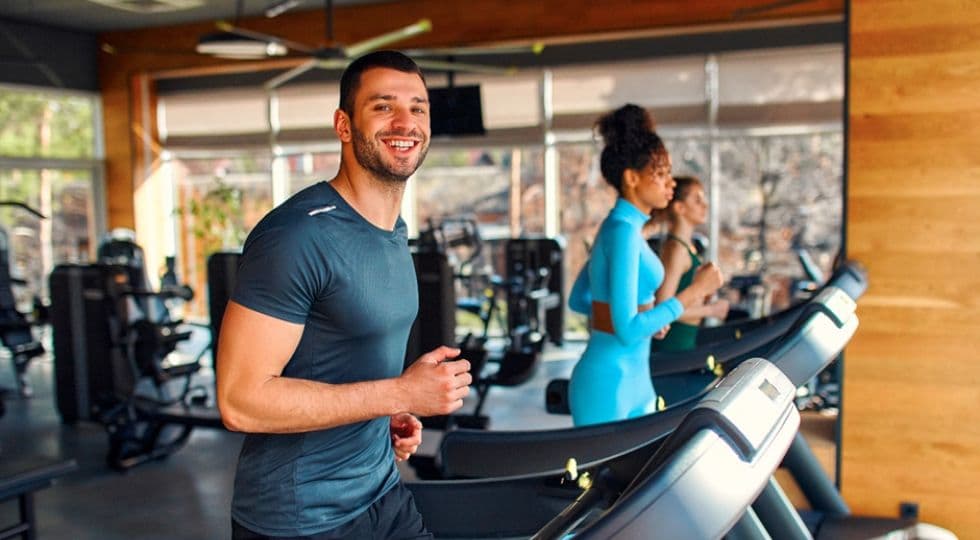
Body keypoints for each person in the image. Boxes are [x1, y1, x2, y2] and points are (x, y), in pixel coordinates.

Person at [216, 51, 472, 540]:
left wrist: (385, 415)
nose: (406, 122)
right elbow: (239, 401)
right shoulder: (294, 236)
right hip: (301, 520)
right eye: (383, 106)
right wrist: (401, 392)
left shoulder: (392, 230)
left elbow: (337, 362)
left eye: (418, 108)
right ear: (344, 124)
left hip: (381, 493)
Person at [567, 104, 723, 427]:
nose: (670, 184)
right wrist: (695, 292)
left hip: (635, 378)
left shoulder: (621, 228)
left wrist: (650, 317)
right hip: (609, 382)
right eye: (662, 174)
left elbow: (581, 299)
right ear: (632, 178)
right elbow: (626, 330)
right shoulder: (622, 232)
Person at [652, 176, 730, 352]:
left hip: (685, 342)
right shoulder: (676, 250)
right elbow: (662, 310)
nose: (704, 206)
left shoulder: (688, 248)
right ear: (679, 207)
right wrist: (711, 310)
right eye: (697, 200)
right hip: (671, 349)